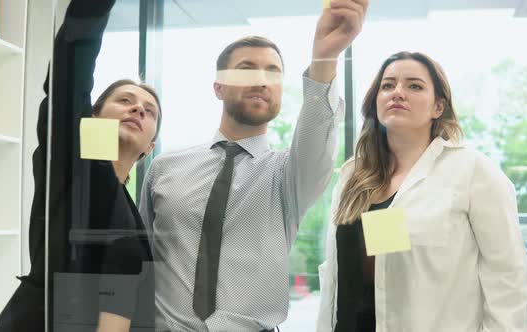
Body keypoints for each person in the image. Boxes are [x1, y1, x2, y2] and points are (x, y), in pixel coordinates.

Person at [139, 1, 368, 331]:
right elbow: (142, 259)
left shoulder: (288, 176)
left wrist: (324, 57)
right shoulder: (165, 168)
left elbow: (318, 129)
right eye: (246, 69)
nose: (261, 80)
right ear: (218, 86)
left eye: (273, 72)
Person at [316, 51, 527, 332]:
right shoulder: (354, 175)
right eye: (388, 85)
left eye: (414, 86)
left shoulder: (473, 171)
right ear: (375, 101)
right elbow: (366, 272)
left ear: (438, 107)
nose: (398, 93)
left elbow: (507, 281)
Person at [0, 0, 161, 331]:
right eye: (125, 100)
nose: (138, 110)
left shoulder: (133, 214)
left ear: (149, 148)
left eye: (150, 110)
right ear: (92, 118)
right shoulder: (75, 166)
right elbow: (70, 76)